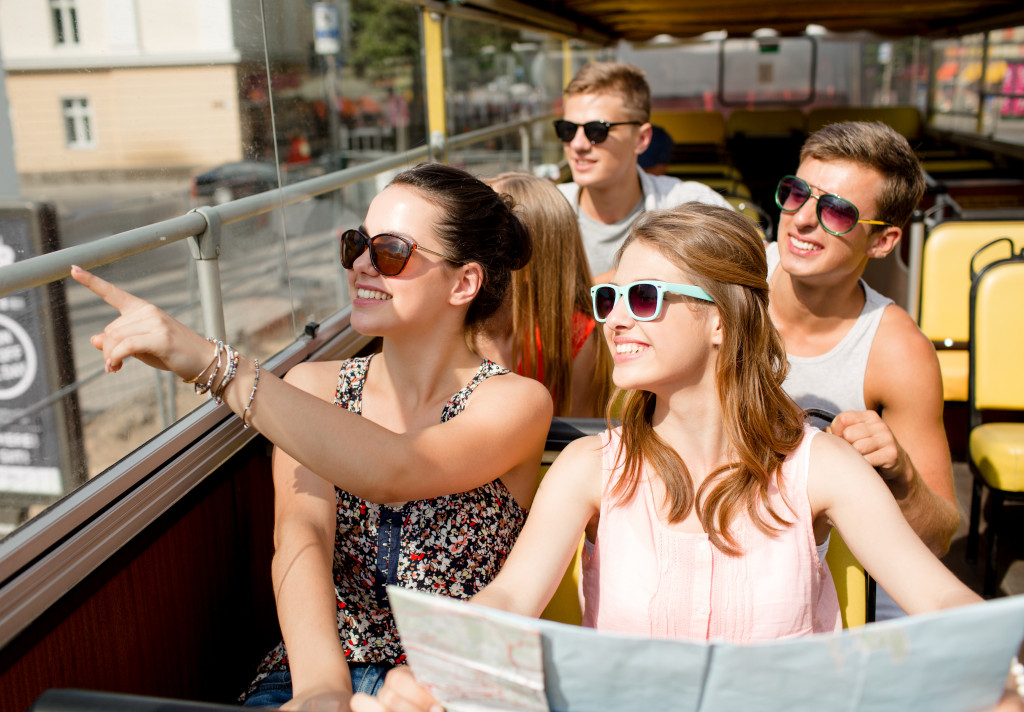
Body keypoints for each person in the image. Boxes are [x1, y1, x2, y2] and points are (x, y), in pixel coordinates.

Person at [347, 203, 994, 712]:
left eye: (646, 298)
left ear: (722, 319)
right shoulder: (588, 466)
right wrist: (433, 673)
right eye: (610, 299)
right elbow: (511, 598)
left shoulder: (818, 466)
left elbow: (938, 598)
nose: (618, 320)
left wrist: (1000, 667)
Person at [70, 162, 554, 711]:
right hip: (312, 667)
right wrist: (323, 691)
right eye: (357, 245)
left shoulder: (515, 402)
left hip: (451, 683)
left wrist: (213, 363)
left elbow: (397, 470)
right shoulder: (314, 388)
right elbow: (302, 541)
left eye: (392, 251)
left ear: (464, 282)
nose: (363, 265)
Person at [767, 121, 959, 620]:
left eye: (836, 210)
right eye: (796, 194)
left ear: (882, 241)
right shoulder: (728, 278)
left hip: (843, 589)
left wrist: (901, 474)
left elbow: (938, 536)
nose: (803, 220)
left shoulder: (897, 351)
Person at [553, 61, 732, 282]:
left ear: (641, 139)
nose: (578, 144)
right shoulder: (543, 213)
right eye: (567, 130)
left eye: (596, 131)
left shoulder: (690, 205)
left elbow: (759, 263)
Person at [473, 172, 612, 418]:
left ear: (522, 253)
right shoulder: (458, 317)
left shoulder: (575, 335)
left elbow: (576, 435)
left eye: (484, 235)